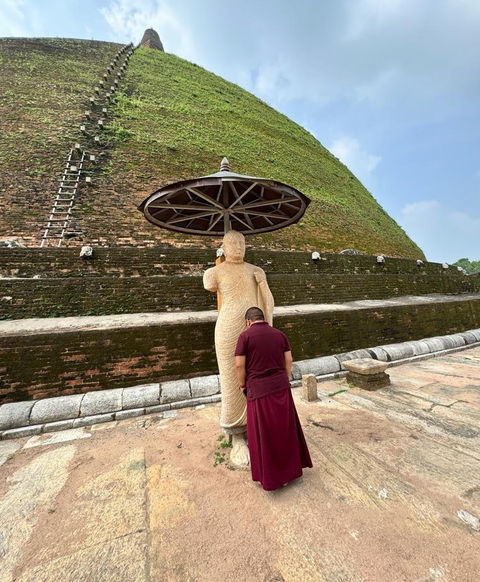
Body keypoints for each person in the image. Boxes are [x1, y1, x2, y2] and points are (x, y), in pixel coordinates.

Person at [203, 231, 274, 468]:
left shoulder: (255, 271)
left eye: (242, 242)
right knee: (232, 380)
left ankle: (257, 425)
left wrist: (262, 282)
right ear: (223, 246)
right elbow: (208, 284)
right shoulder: (215, 272)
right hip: (228, 330)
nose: (238, 246)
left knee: (259, 376)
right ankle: (237, 434)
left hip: (255, 328)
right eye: (232, 242)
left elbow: (268, 303)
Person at [234, 306, 312, 490]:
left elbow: (239, 365)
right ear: (263, 319)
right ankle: (290, 472)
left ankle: (271, 478)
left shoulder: (245, 337)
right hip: (281, 387)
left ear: (248, 321)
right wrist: (283, 378)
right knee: (284, 430)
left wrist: (242, 385)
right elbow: (289, 360)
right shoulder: (279, 334)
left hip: (258, 390)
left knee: (264, 435)